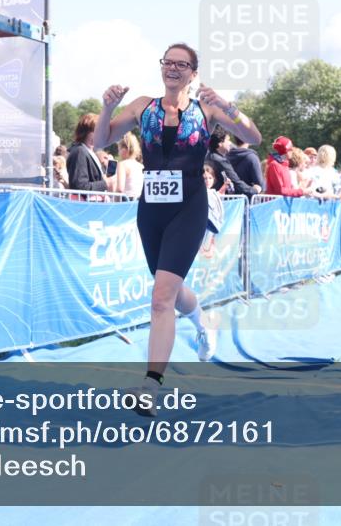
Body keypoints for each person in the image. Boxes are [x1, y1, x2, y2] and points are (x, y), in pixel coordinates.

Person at [94, 43, 261, 416]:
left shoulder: (208, 109)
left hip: (188, 207)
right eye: (167, 62)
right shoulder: (142, 106)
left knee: (160, 298)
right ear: (161, 68)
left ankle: (150, 386)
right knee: (168, 291)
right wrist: (106, 107)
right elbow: (101, 140)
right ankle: (203, 321)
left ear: (193, 72)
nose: (173, 68)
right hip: (151, 209)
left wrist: (229, 105)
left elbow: (254, 138)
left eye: (181, 64)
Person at [206, 126, 260, 197]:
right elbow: (236, 183)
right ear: (220, 143)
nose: (230, 143)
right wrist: (254, 190)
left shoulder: (208, 157)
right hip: (221, 202)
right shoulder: (220, 161)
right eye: (228, 140)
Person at [66, 114, 108, 193]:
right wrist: (106, 183)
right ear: (87, 132)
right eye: (98, 130)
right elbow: (79, 186)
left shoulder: (88, 151)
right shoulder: (80, 151)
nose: (102, 134)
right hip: (87, 203)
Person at [114, 133, 144, 198]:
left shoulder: (122, 165)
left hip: (126, 203)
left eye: (119, 149)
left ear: (125, 149)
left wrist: (114, 202)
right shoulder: (141, 166)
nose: (118, 153)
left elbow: (120, 189)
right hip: (138, 202)